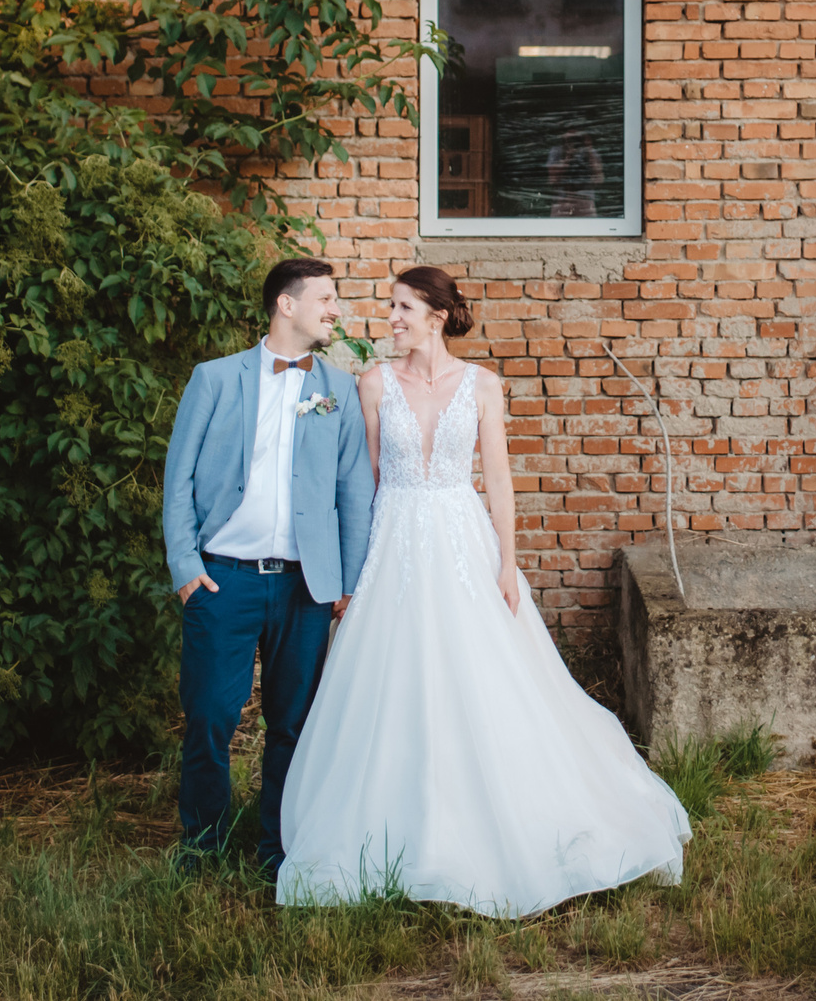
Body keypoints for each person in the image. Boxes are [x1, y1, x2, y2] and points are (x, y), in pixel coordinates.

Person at [274, 265, 691, 917]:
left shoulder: (483, 385)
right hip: (395, 541)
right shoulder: (373, 383)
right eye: (391, 307)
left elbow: (498, 479)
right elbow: (366, 483)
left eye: (403, 307)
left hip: (463, 540)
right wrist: (356, 571)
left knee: (487, 674)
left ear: (437, 316)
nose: (392, 318)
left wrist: (507, 564)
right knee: (394, 677)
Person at [161, 256, 374, 874]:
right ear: (287, 304)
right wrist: (185, 567)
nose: (335, 310)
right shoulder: (214, 379)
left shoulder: (338, 390)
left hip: (306, 587)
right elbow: (178, 480)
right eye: (325, 299)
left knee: (293, 724)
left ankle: (277, 851)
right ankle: (202, 846)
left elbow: (354, 491)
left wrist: (347, 583)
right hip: (221, 579)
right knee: (210, 716)